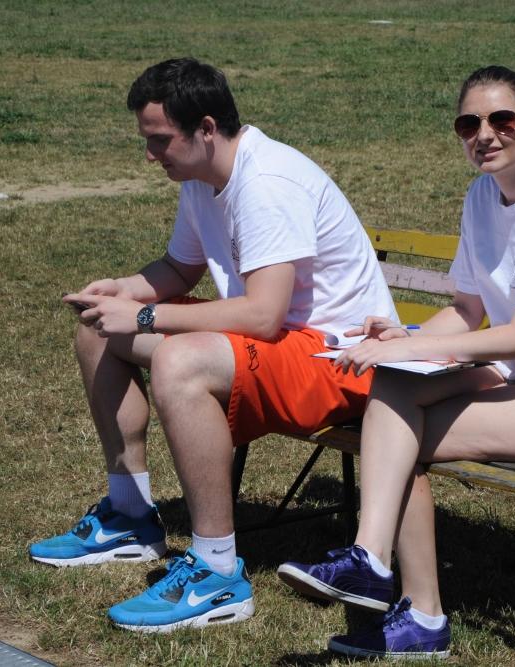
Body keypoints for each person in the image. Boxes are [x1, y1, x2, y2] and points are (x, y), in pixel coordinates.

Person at [276, 65, 515, 660]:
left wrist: (407, 348)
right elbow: (468, 311)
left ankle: (418, 611)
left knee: (400, 437)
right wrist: (407, 335)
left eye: (502, 120)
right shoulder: (482, 196)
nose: (485, 135)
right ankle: (373, 563)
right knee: (395, 391)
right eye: (469, 124)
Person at [28, 57, 397, 633]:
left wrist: (145, 314)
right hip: (285, 344)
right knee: (101, 328)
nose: (150, 155)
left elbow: (264, 315)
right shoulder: (204, 176)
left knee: (181, 360)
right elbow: (180, 268)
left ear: (205, 128)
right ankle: (131, 517)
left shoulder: (266, 181)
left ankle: (218, 571)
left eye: (159, 140)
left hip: (341, 359)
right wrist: (121, 291)